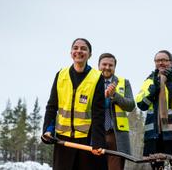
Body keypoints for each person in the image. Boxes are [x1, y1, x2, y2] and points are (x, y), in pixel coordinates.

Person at [41, 38, 107, 170]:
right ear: (71, 53)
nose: (79, 51)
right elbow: (51, 107)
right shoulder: (61, 75)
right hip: (63, 141)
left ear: (90, 54)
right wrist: (48, 131)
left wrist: (97, 142)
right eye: (75, 48)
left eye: (83, 48)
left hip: (86, 141)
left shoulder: (96, 77)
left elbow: (98, 113)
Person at [136, 50, 172, 170]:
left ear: (171, 62)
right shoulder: (149, 81)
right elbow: (141, 105)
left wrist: (171, 87)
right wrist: (153, 91)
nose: (161, 63)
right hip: (154, 136)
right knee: (156, 168)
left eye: (165, 60)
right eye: (158, 60)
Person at [98, 53, 135, 170]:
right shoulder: (91, 82)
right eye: (104, 64)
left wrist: (114, 95)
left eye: (111, 65)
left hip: (116, 135)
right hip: (96, 133)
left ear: (115, 67)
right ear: (98, 65)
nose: (107, 67)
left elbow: (130, 106)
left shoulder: (124, 82)